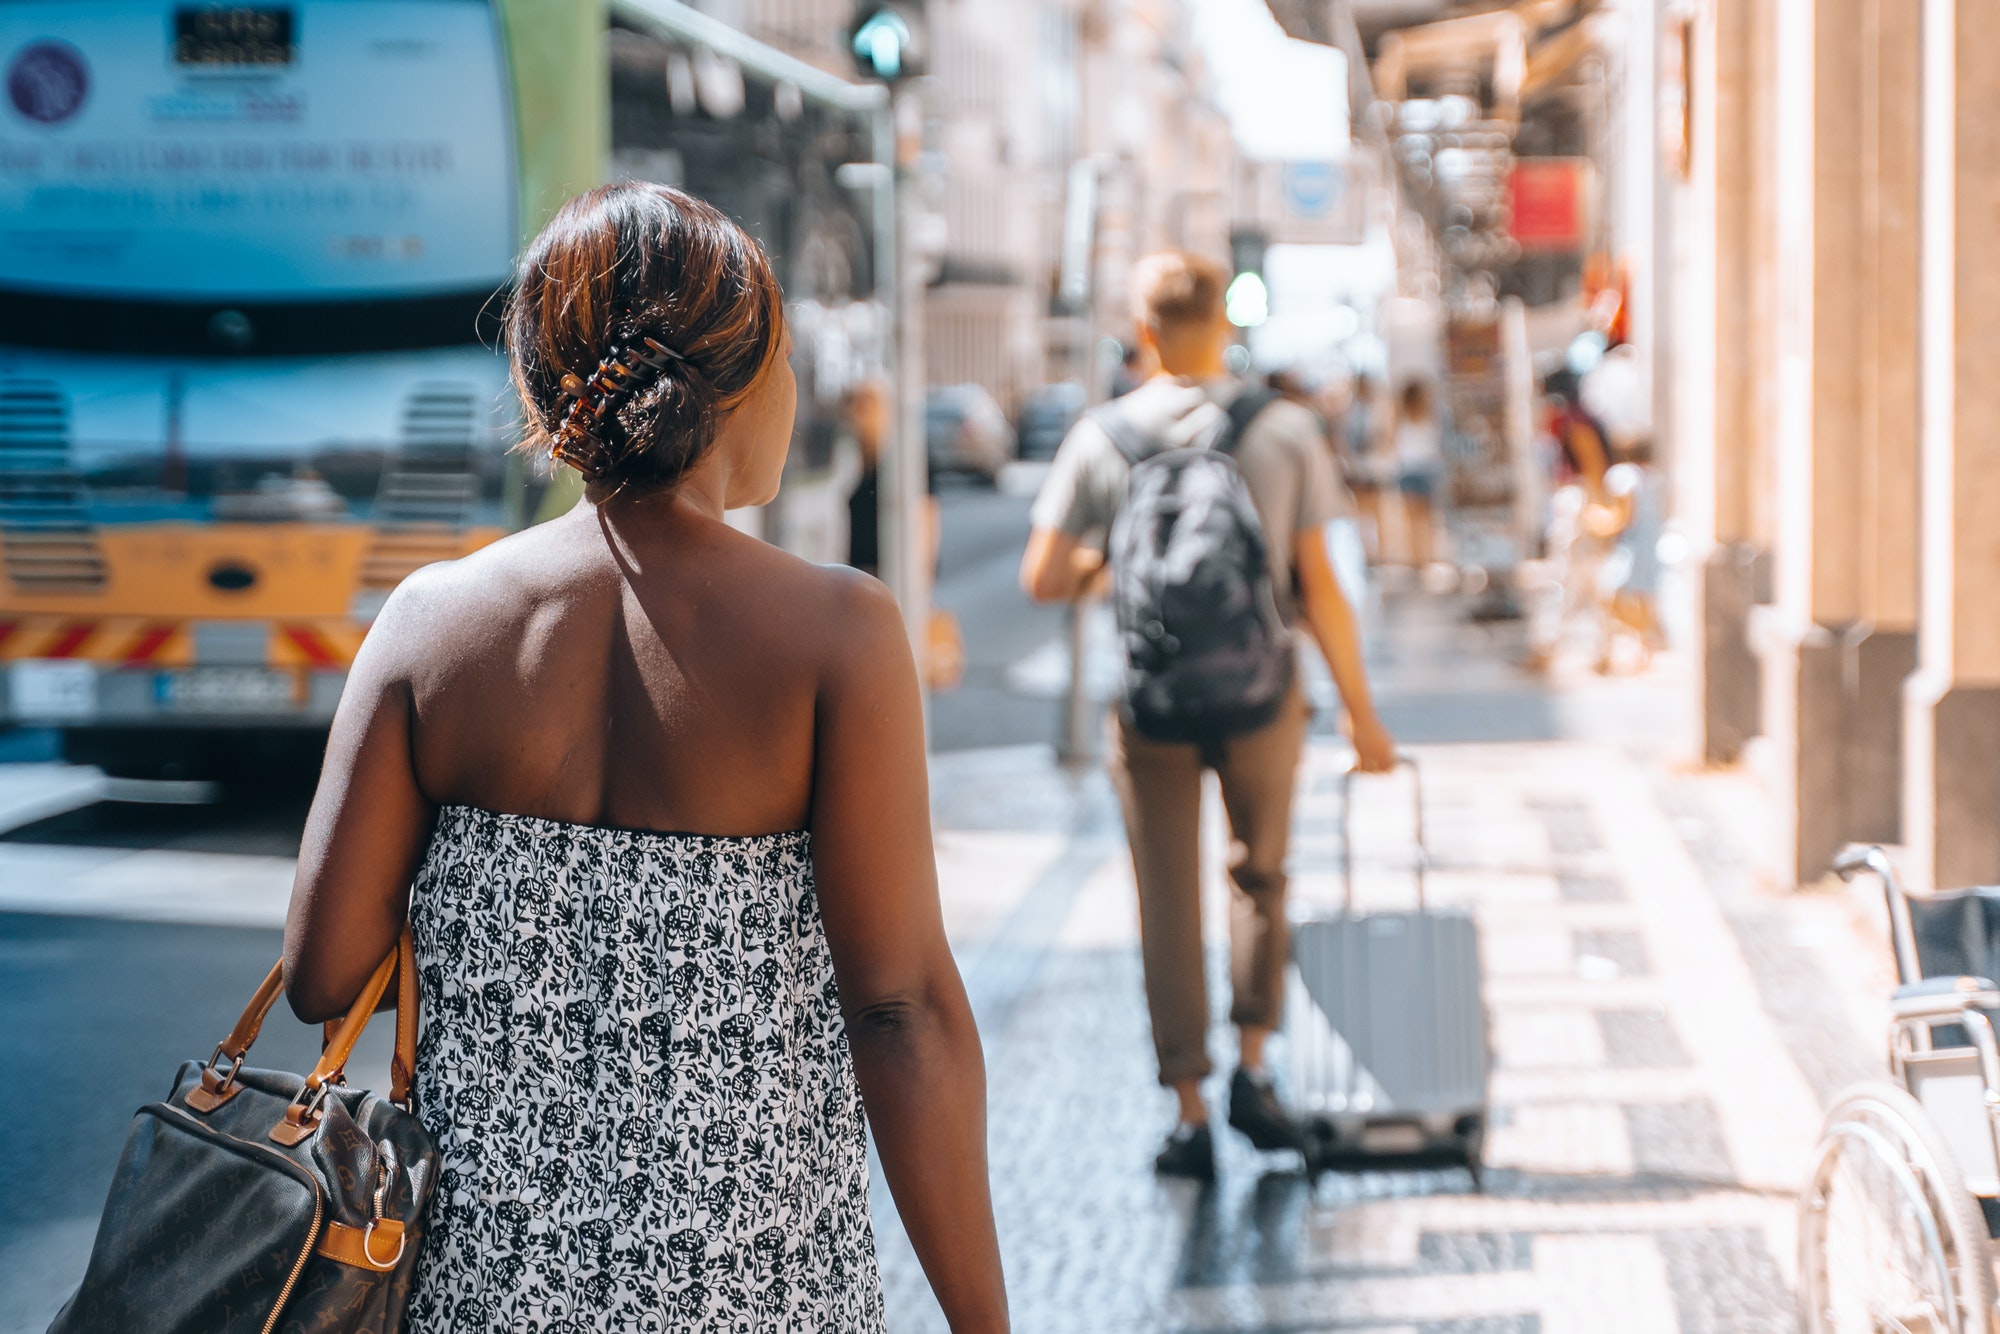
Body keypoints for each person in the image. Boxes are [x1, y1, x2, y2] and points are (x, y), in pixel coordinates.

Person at [283, 183, 1008, 1332]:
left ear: (542, 385)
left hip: (485, 1297)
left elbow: (324, 973)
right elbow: (901, 1010)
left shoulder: (431, 623)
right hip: (758, 1294)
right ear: (741, 381)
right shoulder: (837, 632)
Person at [1019, 251, 1396, 1181]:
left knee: (1166, 898)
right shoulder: (1285, 428)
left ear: (1143, 330)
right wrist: (1362, 716)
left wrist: (1118, 560)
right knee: (1259, 875)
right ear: (1225, 323)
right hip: (1264, 693)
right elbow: (1321, 588)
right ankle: (1256, 1069)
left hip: (1151, 706)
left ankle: (1187, 1112)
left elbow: (1042, 578)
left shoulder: (1103, 436)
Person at [1392, 378, 1446, 568]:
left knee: (1413, 521)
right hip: (1424, 470)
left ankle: (1417, 559)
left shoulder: (1401, 419)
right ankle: (1426, 557)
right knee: (1426, 520)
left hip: (1411, 470)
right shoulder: (1430, 417)